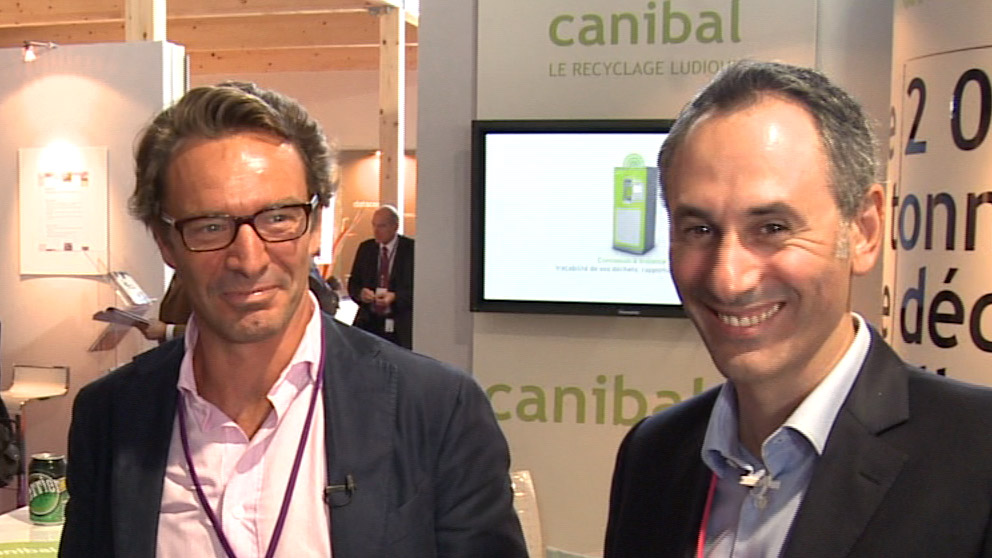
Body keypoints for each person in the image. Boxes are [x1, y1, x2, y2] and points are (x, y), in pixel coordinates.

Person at [60, 82, 526, 558]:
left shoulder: (436, 408)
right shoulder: (111, 414)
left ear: (316, 224)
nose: (249, 259)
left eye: (278, 218)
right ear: (166, 243)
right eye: (210, 227)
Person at [604, 60, 992, 557]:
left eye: (772, 228)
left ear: (864, 230)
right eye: (699, 230)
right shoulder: (656, 453)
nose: (728, 278)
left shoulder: (978, 456)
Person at [347, 205, 414, 348]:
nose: (376, 231)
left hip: (399, 325)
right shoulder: (366, 248)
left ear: (395, 226)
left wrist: (395, 297)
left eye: (382, 226)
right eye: (374, 225)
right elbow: (353, 283)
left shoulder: (411, 250)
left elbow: (417, 289)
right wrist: (361, 293)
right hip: (369, 322)